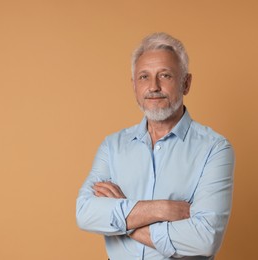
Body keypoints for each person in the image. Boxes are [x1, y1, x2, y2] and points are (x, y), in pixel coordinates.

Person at [76, 32, 235, 260]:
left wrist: (123, 217)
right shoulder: (112, 146)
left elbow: (205, 239)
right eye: (144, 77)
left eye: (165, 75)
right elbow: (85, 213)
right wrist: (161, 209)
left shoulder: (215, 149)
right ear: (134, 86)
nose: (153, 86)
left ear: (186, 83)